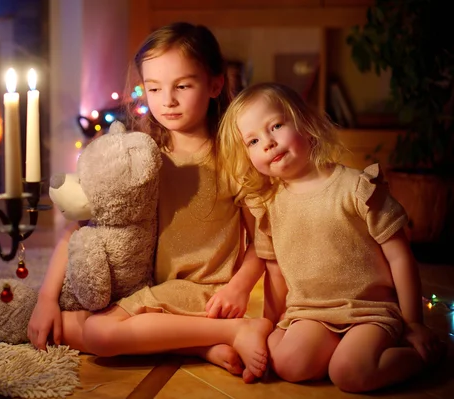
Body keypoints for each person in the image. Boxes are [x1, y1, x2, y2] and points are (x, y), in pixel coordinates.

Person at [27, 22, 278, 382]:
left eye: (183, 86)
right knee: (61, 324)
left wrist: (238, 286)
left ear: (215, 85)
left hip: (202, 293)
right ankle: (198, 345)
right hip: (145, 288)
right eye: (155, 88)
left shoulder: (232, 156)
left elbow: (261, 243)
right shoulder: (140, 156)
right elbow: (84, 227)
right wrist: (45, 298)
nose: (168, 100)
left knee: (97, 334)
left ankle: (232, 331)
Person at [216, 82, 445, 392]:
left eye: (276, 126)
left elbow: (400, 256)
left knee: (350, 372)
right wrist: (271, 323)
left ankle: (423, 356)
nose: (268, 143)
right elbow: (275, 272)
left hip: (369, 310)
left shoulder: (357, 188)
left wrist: (414, 323)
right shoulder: (270, 206)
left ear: (306, 124)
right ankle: (332, 349)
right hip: (311, 312)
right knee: (288, 364)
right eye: (253, 140)